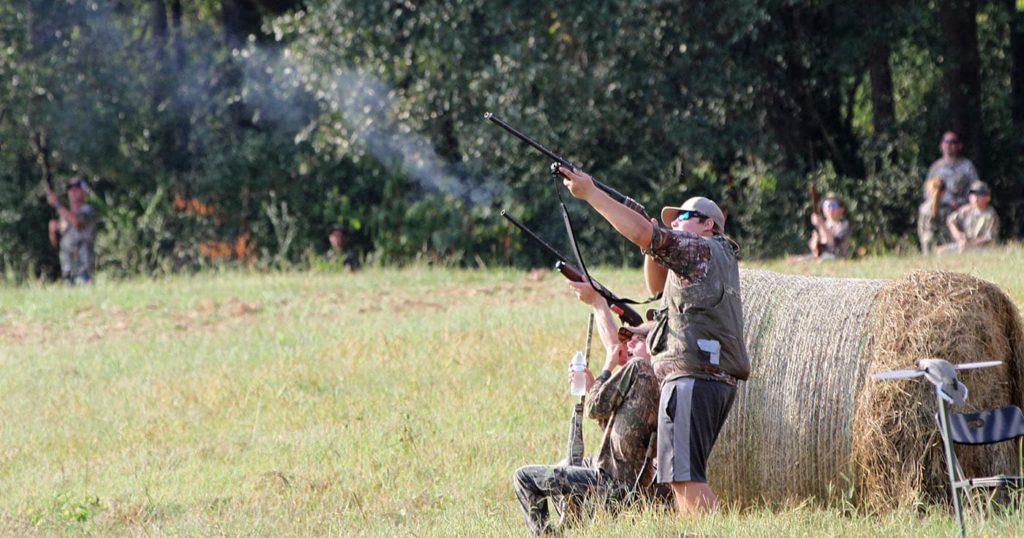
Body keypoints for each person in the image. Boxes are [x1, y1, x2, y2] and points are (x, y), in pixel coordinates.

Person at [557, 165, 749, 517]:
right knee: (679, 479)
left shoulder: (700, 249)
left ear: (708, 225)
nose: (676, 223)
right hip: (707, 376)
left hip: (693, 377)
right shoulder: (710, 261)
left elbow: (645, 235)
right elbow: (657, 288)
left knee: (685, 479)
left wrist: (591, 194)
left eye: (685, 216)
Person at [513, 281, 660, 536]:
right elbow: (622, 434)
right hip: (629, 492)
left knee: (523, 478)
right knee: (567, 466)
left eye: (638, 339)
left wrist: (605, 368)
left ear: (655, 347)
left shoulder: (641, 370)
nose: (630, 343)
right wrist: (595, 385)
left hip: (610, 485)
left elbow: (594, 407)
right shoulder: (656, 383)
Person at [46, 176, 99, 284]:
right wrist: (52, 231)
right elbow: (56, 244)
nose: (73, 191)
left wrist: (57, 204)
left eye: (77, 187)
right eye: (70, 187)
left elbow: (77, 222)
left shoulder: (89, 210)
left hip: (83, 271)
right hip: (67, 271)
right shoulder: (64, 214)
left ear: (84, 192)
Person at [938, 180, 999, 254]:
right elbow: (950, 220)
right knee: (940, 251)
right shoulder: (966, 210)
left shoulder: (990, 214)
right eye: (973, 195)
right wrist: (957, 234)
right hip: (964, 244)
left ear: (987, 198)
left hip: (982, 248)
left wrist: (970, 244)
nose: (976, 198)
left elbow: (989, 237)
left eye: (980, 195)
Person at [924, 131, 979, 211]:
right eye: (946, 142)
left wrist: (962, 203)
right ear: (941, 145)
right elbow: (927, 192)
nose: (949, 145)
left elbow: (975, 190)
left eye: (953, 142)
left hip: (960, 210)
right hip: (939, 209)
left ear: (959, 146)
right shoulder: (935, 167)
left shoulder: (967, 166)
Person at [807, 195, 850, 260]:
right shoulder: (821, 225)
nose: (830, 208)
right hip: (821, 256)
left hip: (836, 256)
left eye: (834, 205)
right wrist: (815, 242)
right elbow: (814, 248)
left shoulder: (844, 225)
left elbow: (833, 243)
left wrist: (821, 224)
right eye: (826, 205)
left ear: (841, 209)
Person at [917, 176, 949, 254]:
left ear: (928, 191)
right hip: (945, 239)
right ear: (944, 192)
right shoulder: (947, 208)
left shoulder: (923, 208)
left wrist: (922, 238)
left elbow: (921, 227)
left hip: (928, 238)